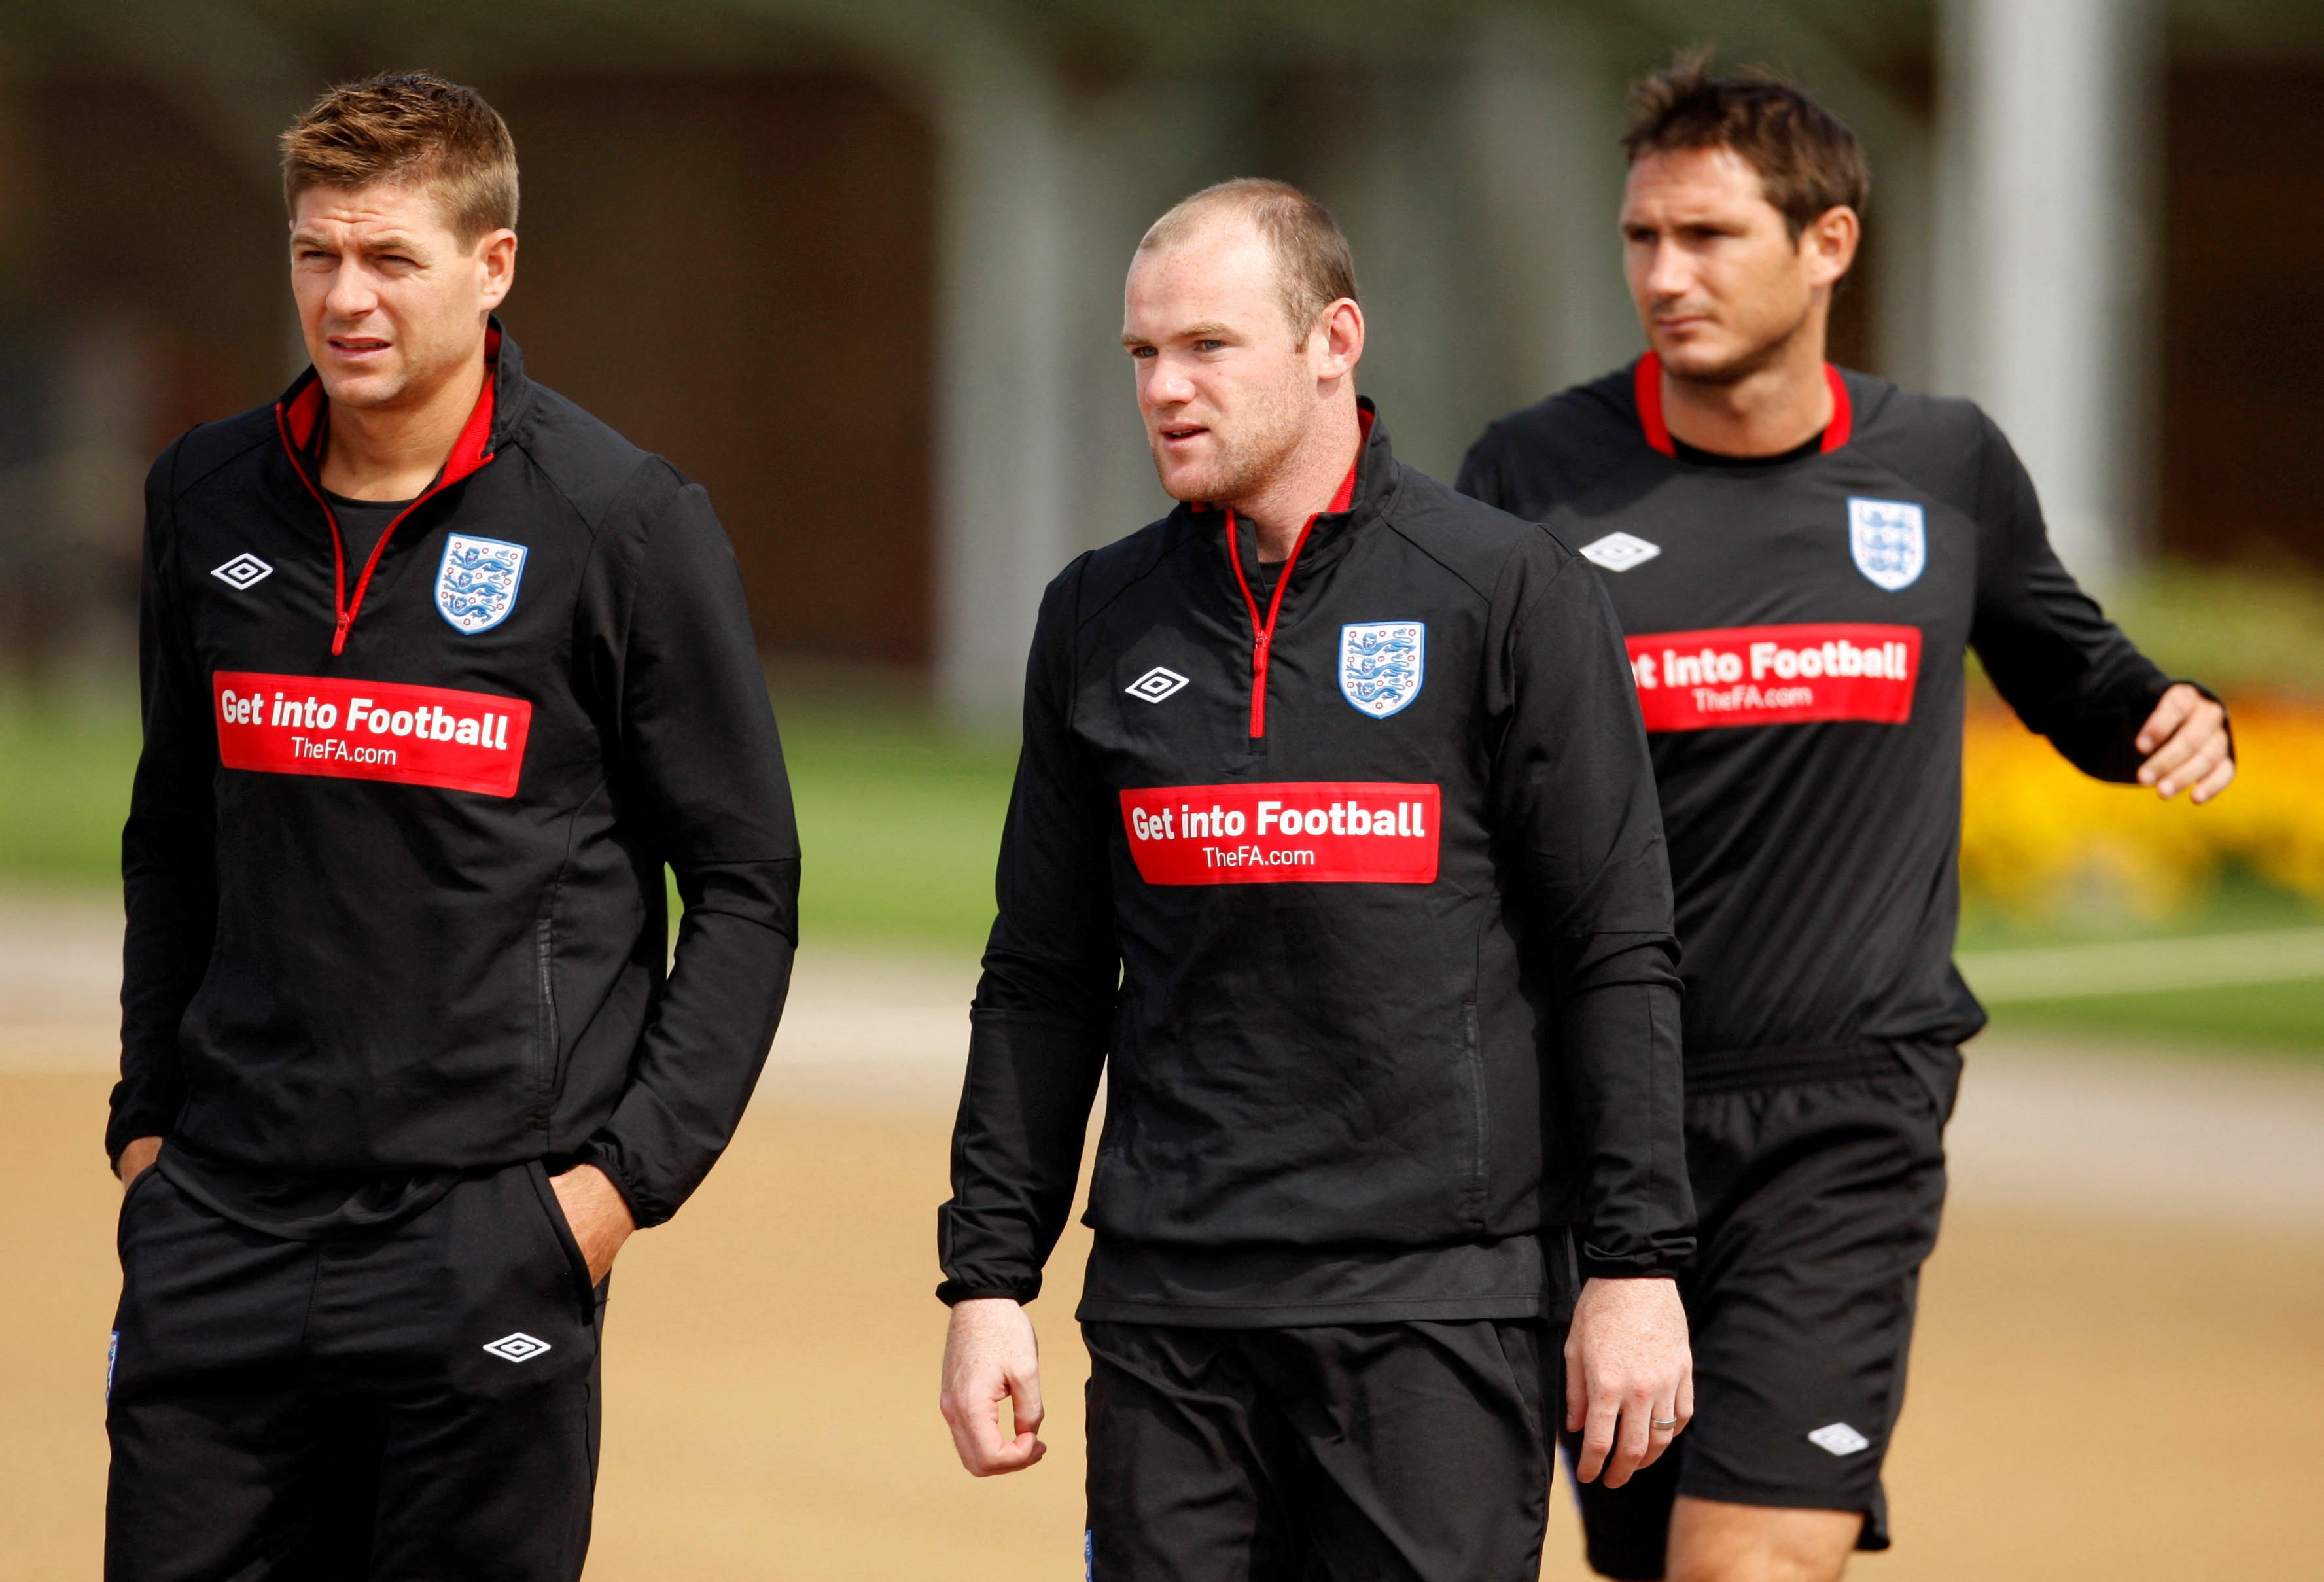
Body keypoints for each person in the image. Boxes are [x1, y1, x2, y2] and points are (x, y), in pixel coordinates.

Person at [1458, 59, 2234, 1582]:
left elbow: (2074, 669)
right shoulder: (1530, 477)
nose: (1664, 278)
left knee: (1751, 1563)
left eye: (1709, 238)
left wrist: (2164, 710)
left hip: (1847, 1118)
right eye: (1642, 240)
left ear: (1830, 246)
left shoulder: (1941, 466)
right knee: (1640, 1556)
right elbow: (1461, 785)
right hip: (1600, 1120)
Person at [934, 177, 1696, 1581]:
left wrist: (1637, 1267)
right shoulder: (1098, 615)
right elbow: (1043, 977)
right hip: (1173, 1301)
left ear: (1334, 339)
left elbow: (1615, 949)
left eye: (1207, 347)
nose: (1164, 387)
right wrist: (988, 1277)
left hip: (1437, 1312)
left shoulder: (1507, 590)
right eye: (1142, 355)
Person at [105, 71, 798, 1581]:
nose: (345, 299)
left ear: (492, 268)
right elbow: (172, 837)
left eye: (391, 259)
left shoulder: (622, 520)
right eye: (316, 256)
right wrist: (149, 1132)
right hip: (219, 1219)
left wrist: (607, 1199)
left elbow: (746, 882)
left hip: (486, 1234)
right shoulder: (204, 500)